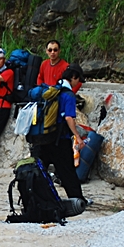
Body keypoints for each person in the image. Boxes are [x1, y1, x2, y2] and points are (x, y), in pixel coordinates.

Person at [33, 66, 85, 200]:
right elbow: (69, 117)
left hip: (43, 136)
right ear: (73, 77)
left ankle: (33, 196)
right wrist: (77, 137)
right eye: (78, 80)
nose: (77, 84)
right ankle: (77, 199)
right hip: (60, 139)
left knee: (38, 169)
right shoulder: (68, 95)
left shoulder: (53, 91)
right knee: (67, 171)